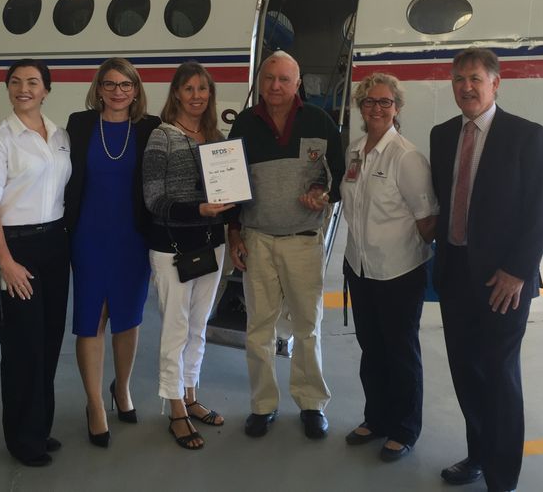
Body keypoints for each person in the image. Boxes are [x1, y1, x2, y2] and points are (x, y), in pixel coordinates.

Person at [430, 48, 543, 492]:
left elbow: (541, 211)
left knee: (500, 373)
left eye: (475, 79)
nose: (466, 87)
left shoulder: (525, 135)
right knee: (466, 371)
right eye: (459, 79)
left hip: (505, 280)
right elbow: (442, 203)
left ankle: (502, 478)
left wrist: (517, 272)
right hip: (456, 272)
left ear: (495, 84)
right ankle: (478, 454)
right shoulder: (442, 135)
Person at [227, 50, 345, 440]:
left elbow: (338, 174)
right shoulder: (244, 123)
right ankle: (262, 406)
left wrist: (321, 190)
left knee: (308, 326)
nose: (275, 86)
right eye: (269, 78)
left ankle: (312, 404)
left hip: (302, 240)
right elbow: (228, 182)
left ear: (298, 85)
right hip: (257, 238)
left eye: (284, 79)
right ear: (261, 82)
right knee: (258, 327)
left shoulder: (319, 121)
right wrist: (233, 232)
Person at [0, 58, 71, 467]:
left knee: (47, 343)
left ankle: (39, 428)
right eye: (15, 82)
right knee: (21, 348)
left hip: (53, 245)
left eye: (32, 82)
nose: (23, 88)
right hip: (13, 249)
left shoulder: (60, 135)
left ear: (47, 89)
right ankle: (22, 440)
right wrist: (6, 262)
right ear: (8, 89)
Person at [341, 73, 438, 462]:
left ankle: (405, 428)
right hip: (360, 268)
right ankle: (376, 418)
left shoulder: (406, 157)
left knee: (400, 352)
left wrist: (409, 247)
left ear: (397, 108)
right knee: (372, 349)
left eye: (385, 102)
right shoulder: (354, 150)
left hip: (399, 272)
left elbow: (427, 219)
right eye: (369, 102)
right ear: (361, 108)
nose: (377, 109)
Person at [63, 58, 160, 447]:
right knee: (92, 318)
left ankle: (121, 389)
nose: (118, 91)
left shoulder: (149, 128)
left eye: (126, 85)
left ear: (136, 90)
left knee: (128, 318)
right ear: (98, 88)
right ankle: (94, 404)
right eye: (110, 84)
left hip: (132, 237)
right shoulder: (81, 125)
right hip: (88, 235)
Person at [142, 61, 233, 450]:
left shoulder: (217, 137)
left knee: (199, 327)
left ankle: (191, 394)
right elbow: (153, 199)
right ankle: (175, 407)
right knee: (175, 330)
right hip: (173, 247)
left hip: (212, 243)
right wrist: (197, 210)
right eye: (189, 88)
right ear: (176, 93)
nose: (197, 96)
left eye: (203, 89)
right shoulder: (162, 137)